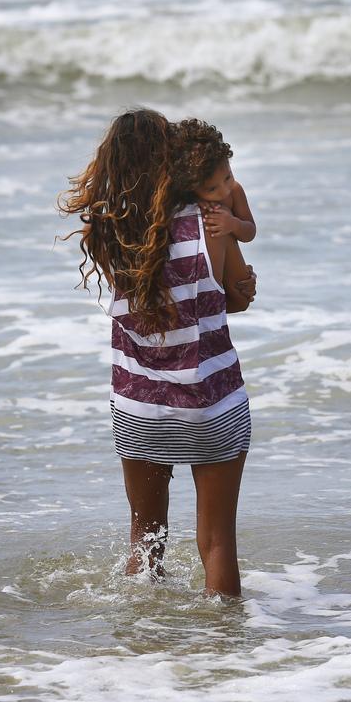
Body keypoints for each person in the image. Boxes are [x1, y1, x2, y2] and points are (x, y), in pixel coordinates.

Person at [58, 109, 257, 598]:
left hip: (140, 407)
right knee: (216, 544)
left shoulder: (112, 234)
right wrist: (245, 281)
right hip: (211, 405)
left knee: (145, 542)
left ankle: (146, 650)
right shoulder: (209, 224)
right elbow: (236, 297)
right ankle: (228, 651)